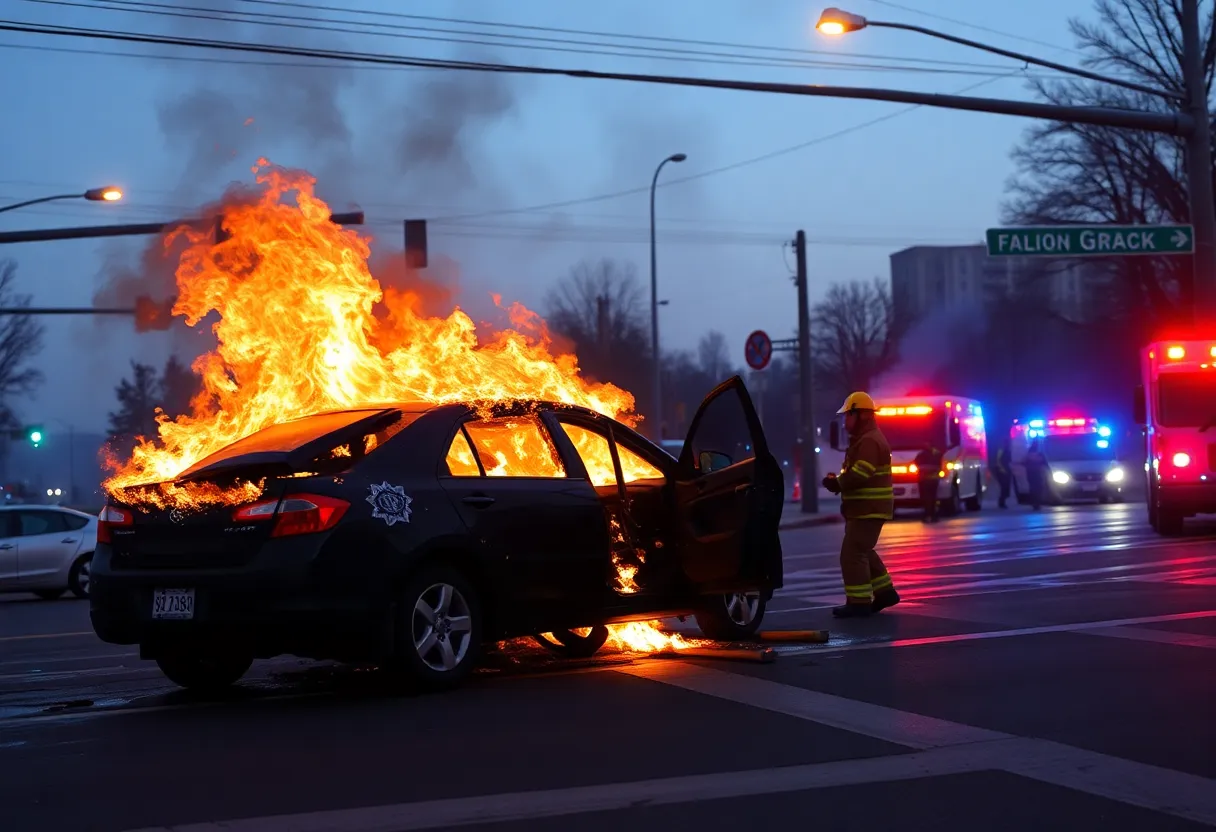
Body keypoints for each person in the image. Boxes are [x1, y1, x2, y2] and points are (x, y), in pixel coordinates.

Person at [822, 391, 900, 618]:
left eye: (848, 416)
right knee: (863, 549)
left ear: (861, 415)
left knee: (852, 553)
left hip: (869, 509)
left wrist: (837, 484)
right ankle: (885, 592)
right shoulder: (866, 439)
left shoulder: (869, 441)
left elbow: (860, 474)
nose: (845, 422)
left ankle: (859, 602)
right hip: (865, 509)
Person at [914, 441, 943, 522]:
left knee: (926, 499)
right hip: (933, 480)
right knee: (933, 498)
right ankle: (933, 516)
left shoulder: (921, 455)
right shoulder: (937, 454)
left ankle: (927, 515)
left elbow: (917, 464)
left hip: (924, 480)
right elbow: (940, 465)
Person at [1024, 439, 1047, 510]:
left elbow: (1025, 462)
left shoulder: (1030, 451)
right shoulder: (1039, 452)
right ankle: (1037, 503)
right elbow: (1043, 462)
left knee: (1033, 488)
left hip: (1031, 473)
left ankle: (1035, 503)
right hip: (1036, 473)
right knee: (1038, 488)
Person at [992, 439, 1012, 509]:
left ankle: (1002, 501)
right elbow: (998, 461)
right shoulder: (1001, 450)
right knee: (1004, 487)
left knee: (1006, 487)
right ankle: (1001, 502)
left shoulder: (1007, 451)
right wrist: (1003, 470)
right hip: (1001, 471)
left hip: (1005, 471)